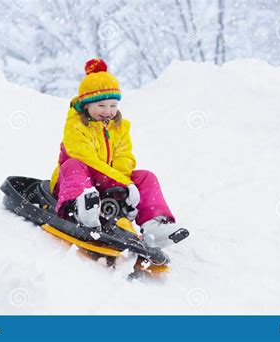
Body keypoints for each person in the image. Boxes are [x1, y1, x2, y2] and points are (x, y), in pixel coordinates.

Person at [50, 58, 188, 248]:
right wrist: (124, 183)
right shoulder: (75, 126)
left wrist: (125, 193)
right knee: (73, 165)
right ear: (86, 106)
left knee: (146, 177)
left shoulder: (120, 127)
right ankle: (81, 208)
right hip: (75, 183)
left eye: (113, 106)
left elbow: (125, 156)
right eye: (101, 106)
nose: (108, 111)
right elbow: (85, 158)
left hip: (107, 184)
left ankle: (155, 224)